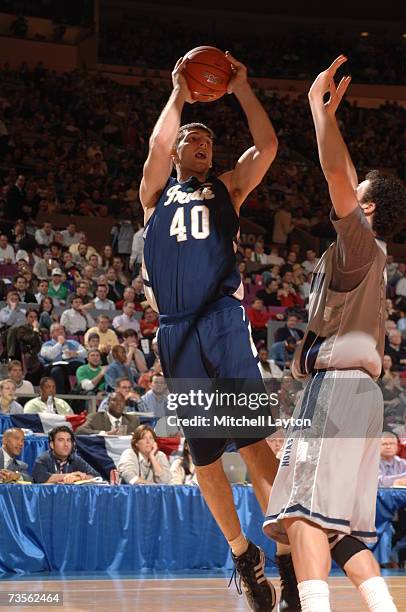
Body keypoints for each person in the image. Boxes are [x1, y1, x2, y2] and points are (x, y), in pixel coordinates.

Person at [264, 56, 406, 612]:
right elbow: (348, 176)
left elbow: (336, 176)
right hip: (364, 396)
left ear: (366, 208)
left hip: (338, 389)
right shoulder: (375, 252)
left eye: (356, 194)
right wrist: (331, 119)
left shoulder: (358, 244)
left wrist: (317, 114)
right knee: (343, 530)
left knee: (299, 515)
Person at [140, 53, 281, 608]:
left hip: (222, 321)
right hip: (175, 334)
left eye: (208, 141)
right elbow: (153, 150)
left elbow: (266, 148)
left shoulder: (228, 188)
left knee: (253, 443)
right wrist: (178, 93)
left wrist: (243, 89)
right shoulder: (154, 197)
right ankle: (244, 553)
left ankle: (290, 554)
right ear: (175, 147)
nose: (202, 144)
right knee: (203, 459)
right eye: (192, 137)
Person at [32, 425, 100, 483]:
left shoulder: (75, 459)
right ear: (52, 444)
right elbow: (40, 478)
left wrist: (77, 478)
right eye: (61, 440)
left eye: (68, 440)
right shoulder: (43, 459)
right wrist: (70, 475)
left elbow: (95, 476)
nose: (66, 444)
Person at [76, 391, 140, 435]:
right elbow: (79, 431)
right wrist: (105, 433)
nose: (119, 404)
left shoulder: (133, 420)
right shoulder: (95, 418)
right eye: (114, 400)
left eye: (122, 401)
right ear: (108, 403)